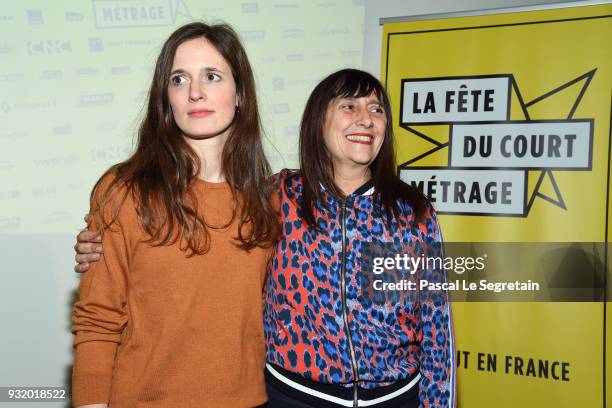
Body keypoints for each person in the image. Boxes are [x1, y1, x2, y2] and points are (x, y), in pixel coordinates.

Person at [75, 70, 455, 407]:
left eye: (376, 109)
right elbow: (204, 232)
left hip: (395, 398)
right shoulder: (277, 197)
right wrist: (106, 238)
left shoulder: (413, 213)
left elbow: (436, 327)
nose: (365, 119)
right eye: (349, 106)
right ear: (317, 122)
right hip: (294, 397)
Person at [71, 22, 277, 408]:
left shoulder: (269, 201)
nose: (195, 92)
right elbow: (97, 321)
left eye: (212, 77)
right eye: (179, 79)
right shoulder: (124, 190)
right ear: (166, 99)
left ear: (240, 95)